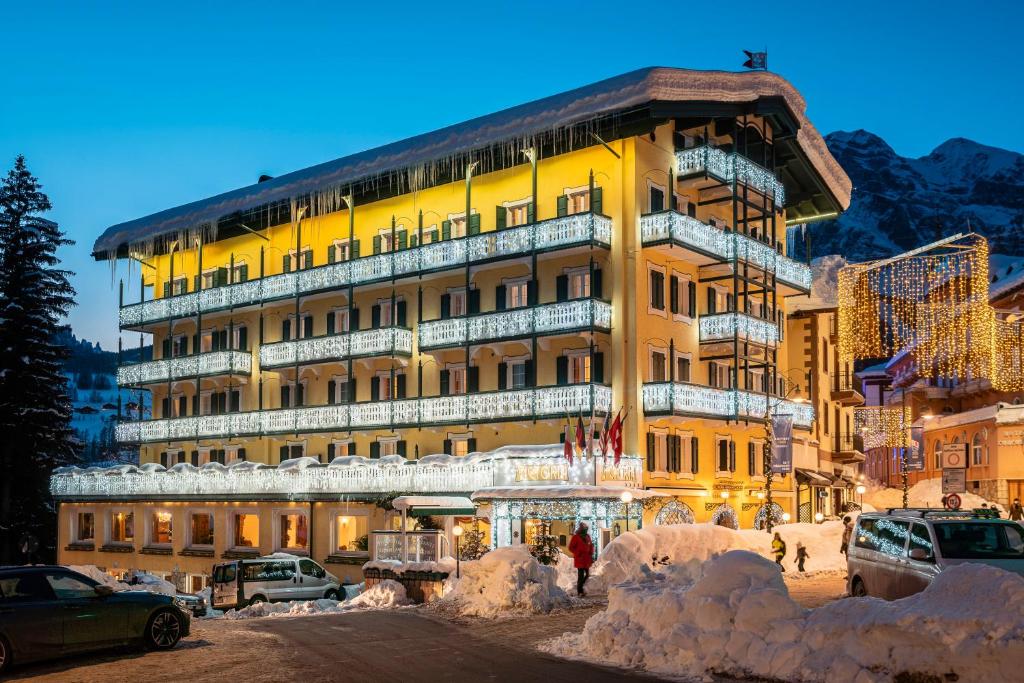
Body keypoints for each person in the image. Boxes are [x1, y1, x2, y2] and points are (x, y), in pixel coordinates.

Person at [568, 523, 595, 597]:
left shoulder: (587, 536)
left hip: (586, 559)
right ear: (581, 529)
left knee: (587, 575)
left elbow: (590, 545)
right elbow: (571, 547)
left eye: (586, 528)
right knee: (581, 576)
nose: (586, 529)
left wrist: (591, 552)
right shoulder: (576, 537)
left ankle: (580, 588)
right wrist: (578, 552)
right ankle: (580, 591)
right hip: (580, 559)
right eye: (585, 528)